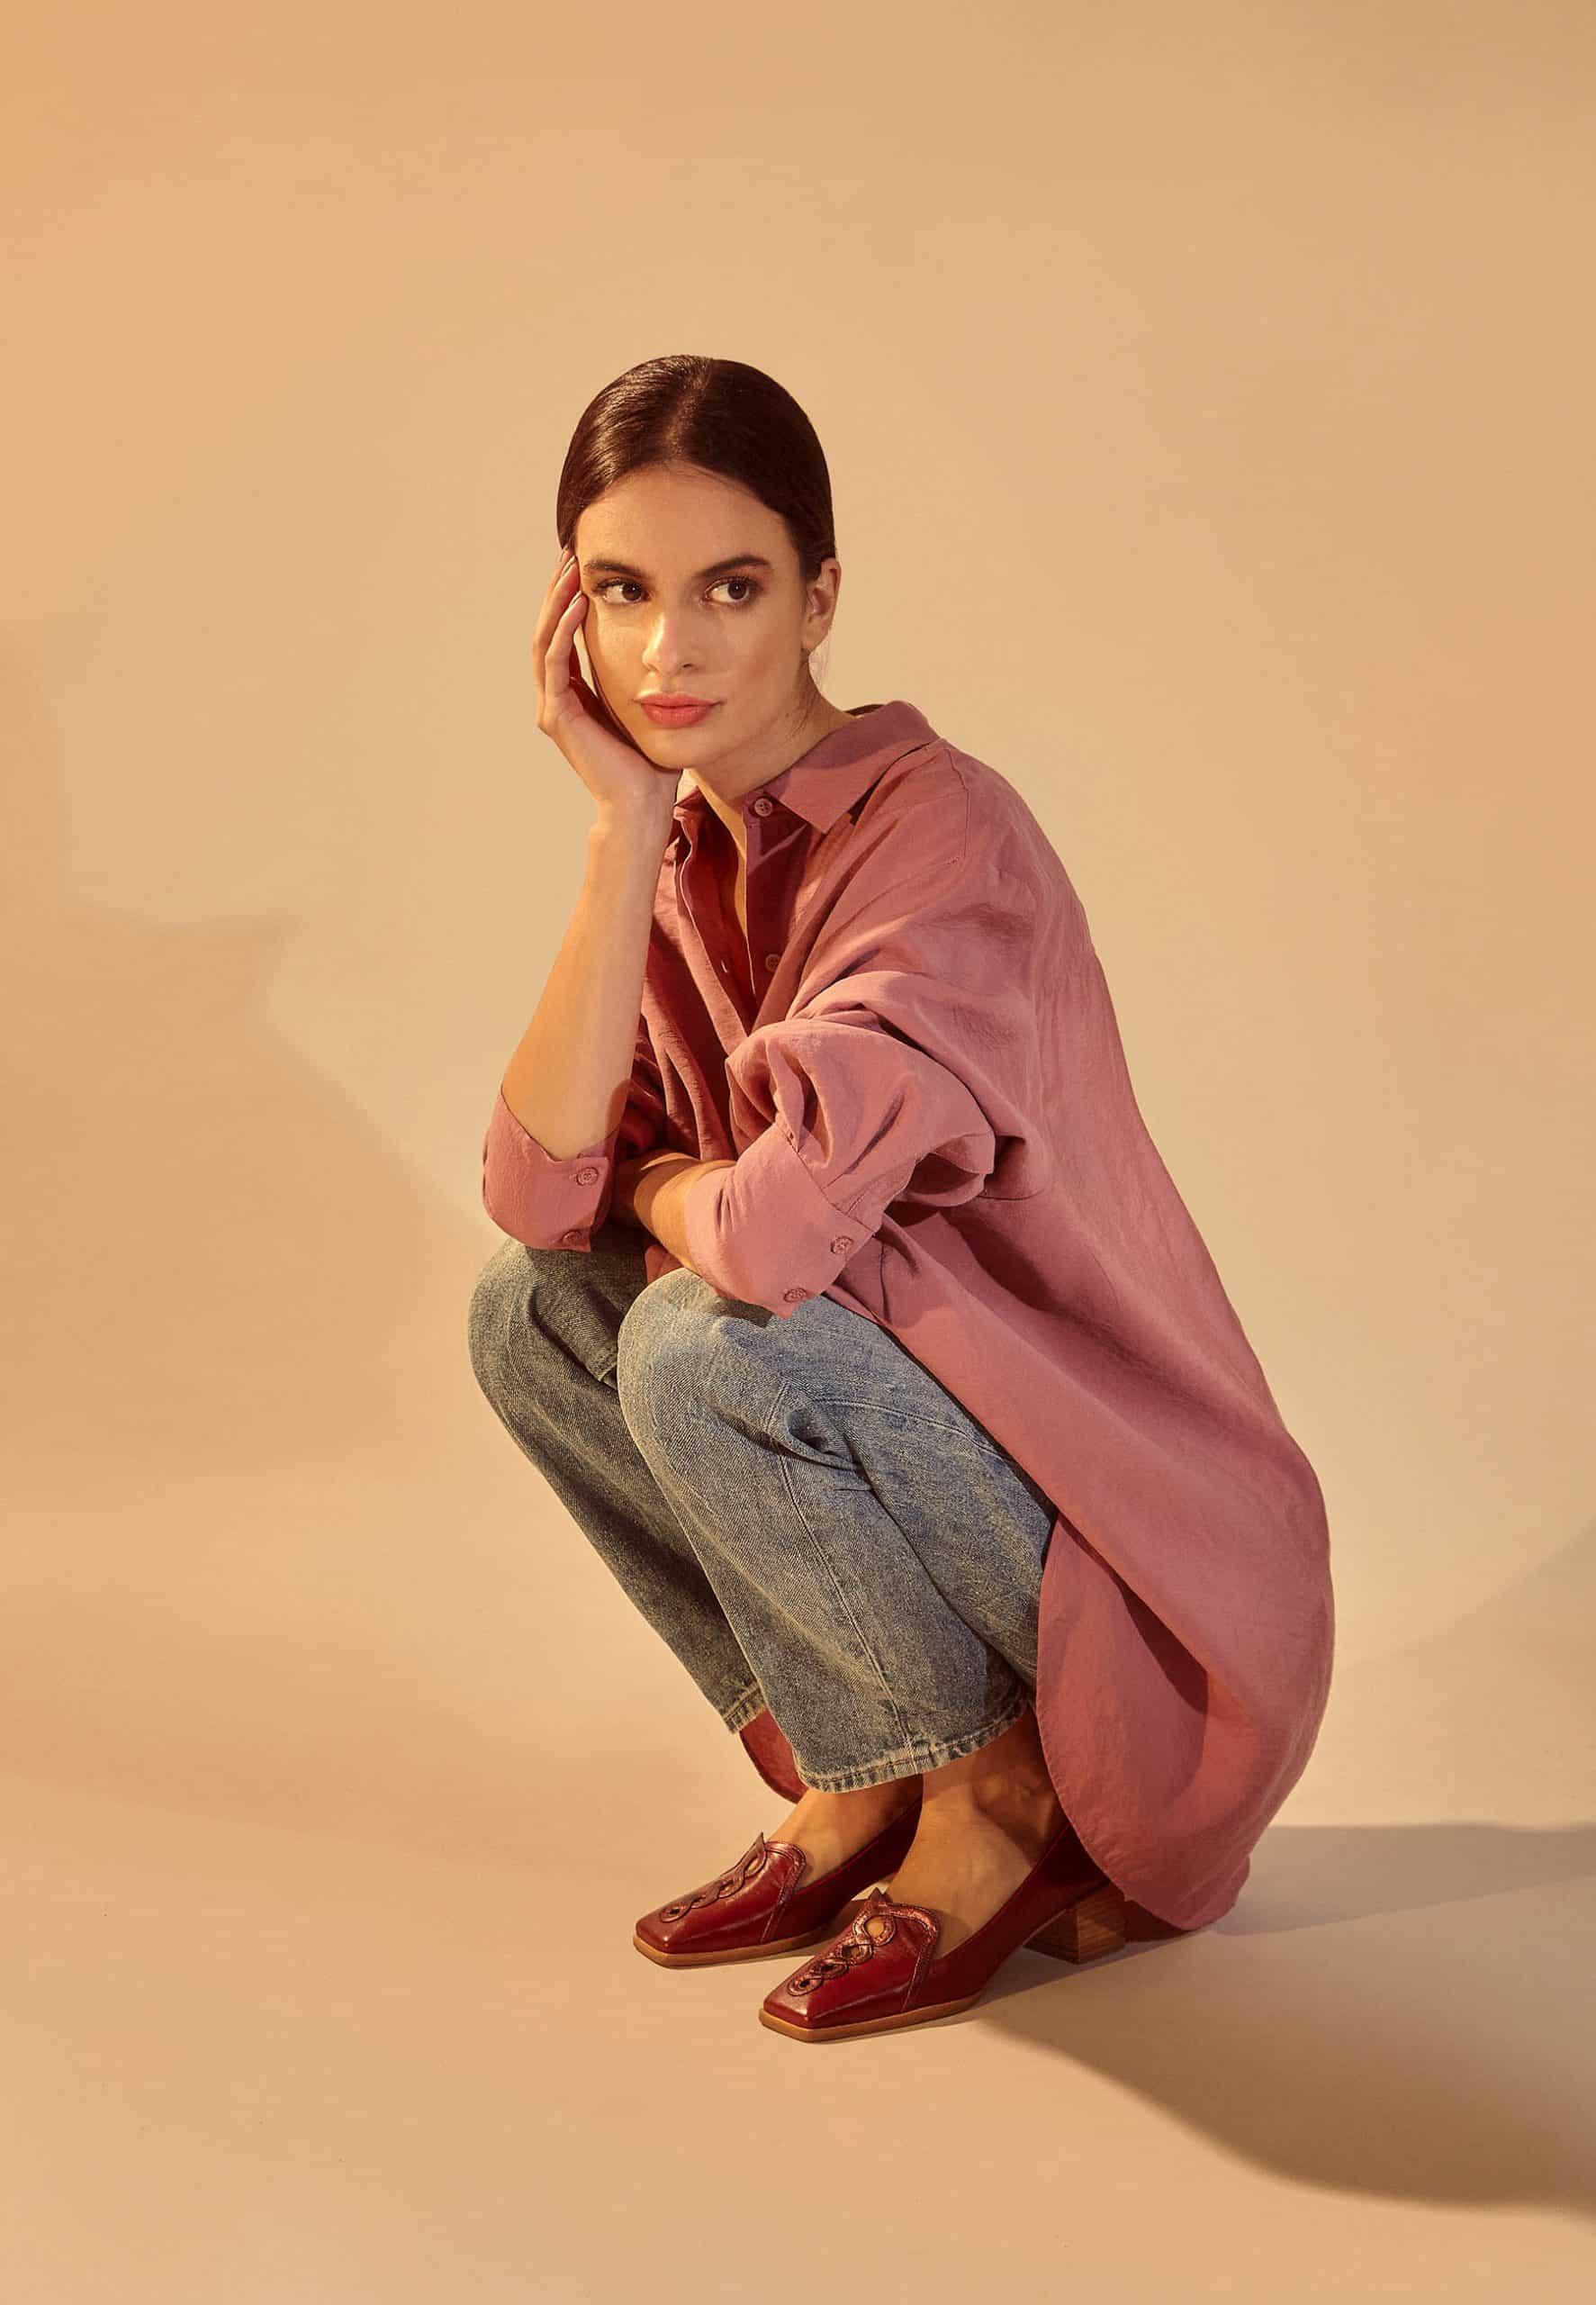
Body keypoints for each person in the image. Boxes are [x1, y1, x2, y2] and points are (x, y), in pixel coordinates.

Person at [467, 354, 1335, 2041]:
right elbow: (529, 1194)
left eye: (732, 586)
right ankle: (865, 1785)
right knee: (532, 1322)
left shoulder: (941, 835)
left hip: (1133, 1569)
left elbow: (775, 1241)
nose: (671, 649)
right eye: (624, 593)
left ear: (820, 600)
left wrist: (653, 1181)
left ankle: (1002, 1804)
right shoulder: (690, 853)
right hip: (941, 1469)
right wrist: (621, 831)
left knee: (707, 1350)